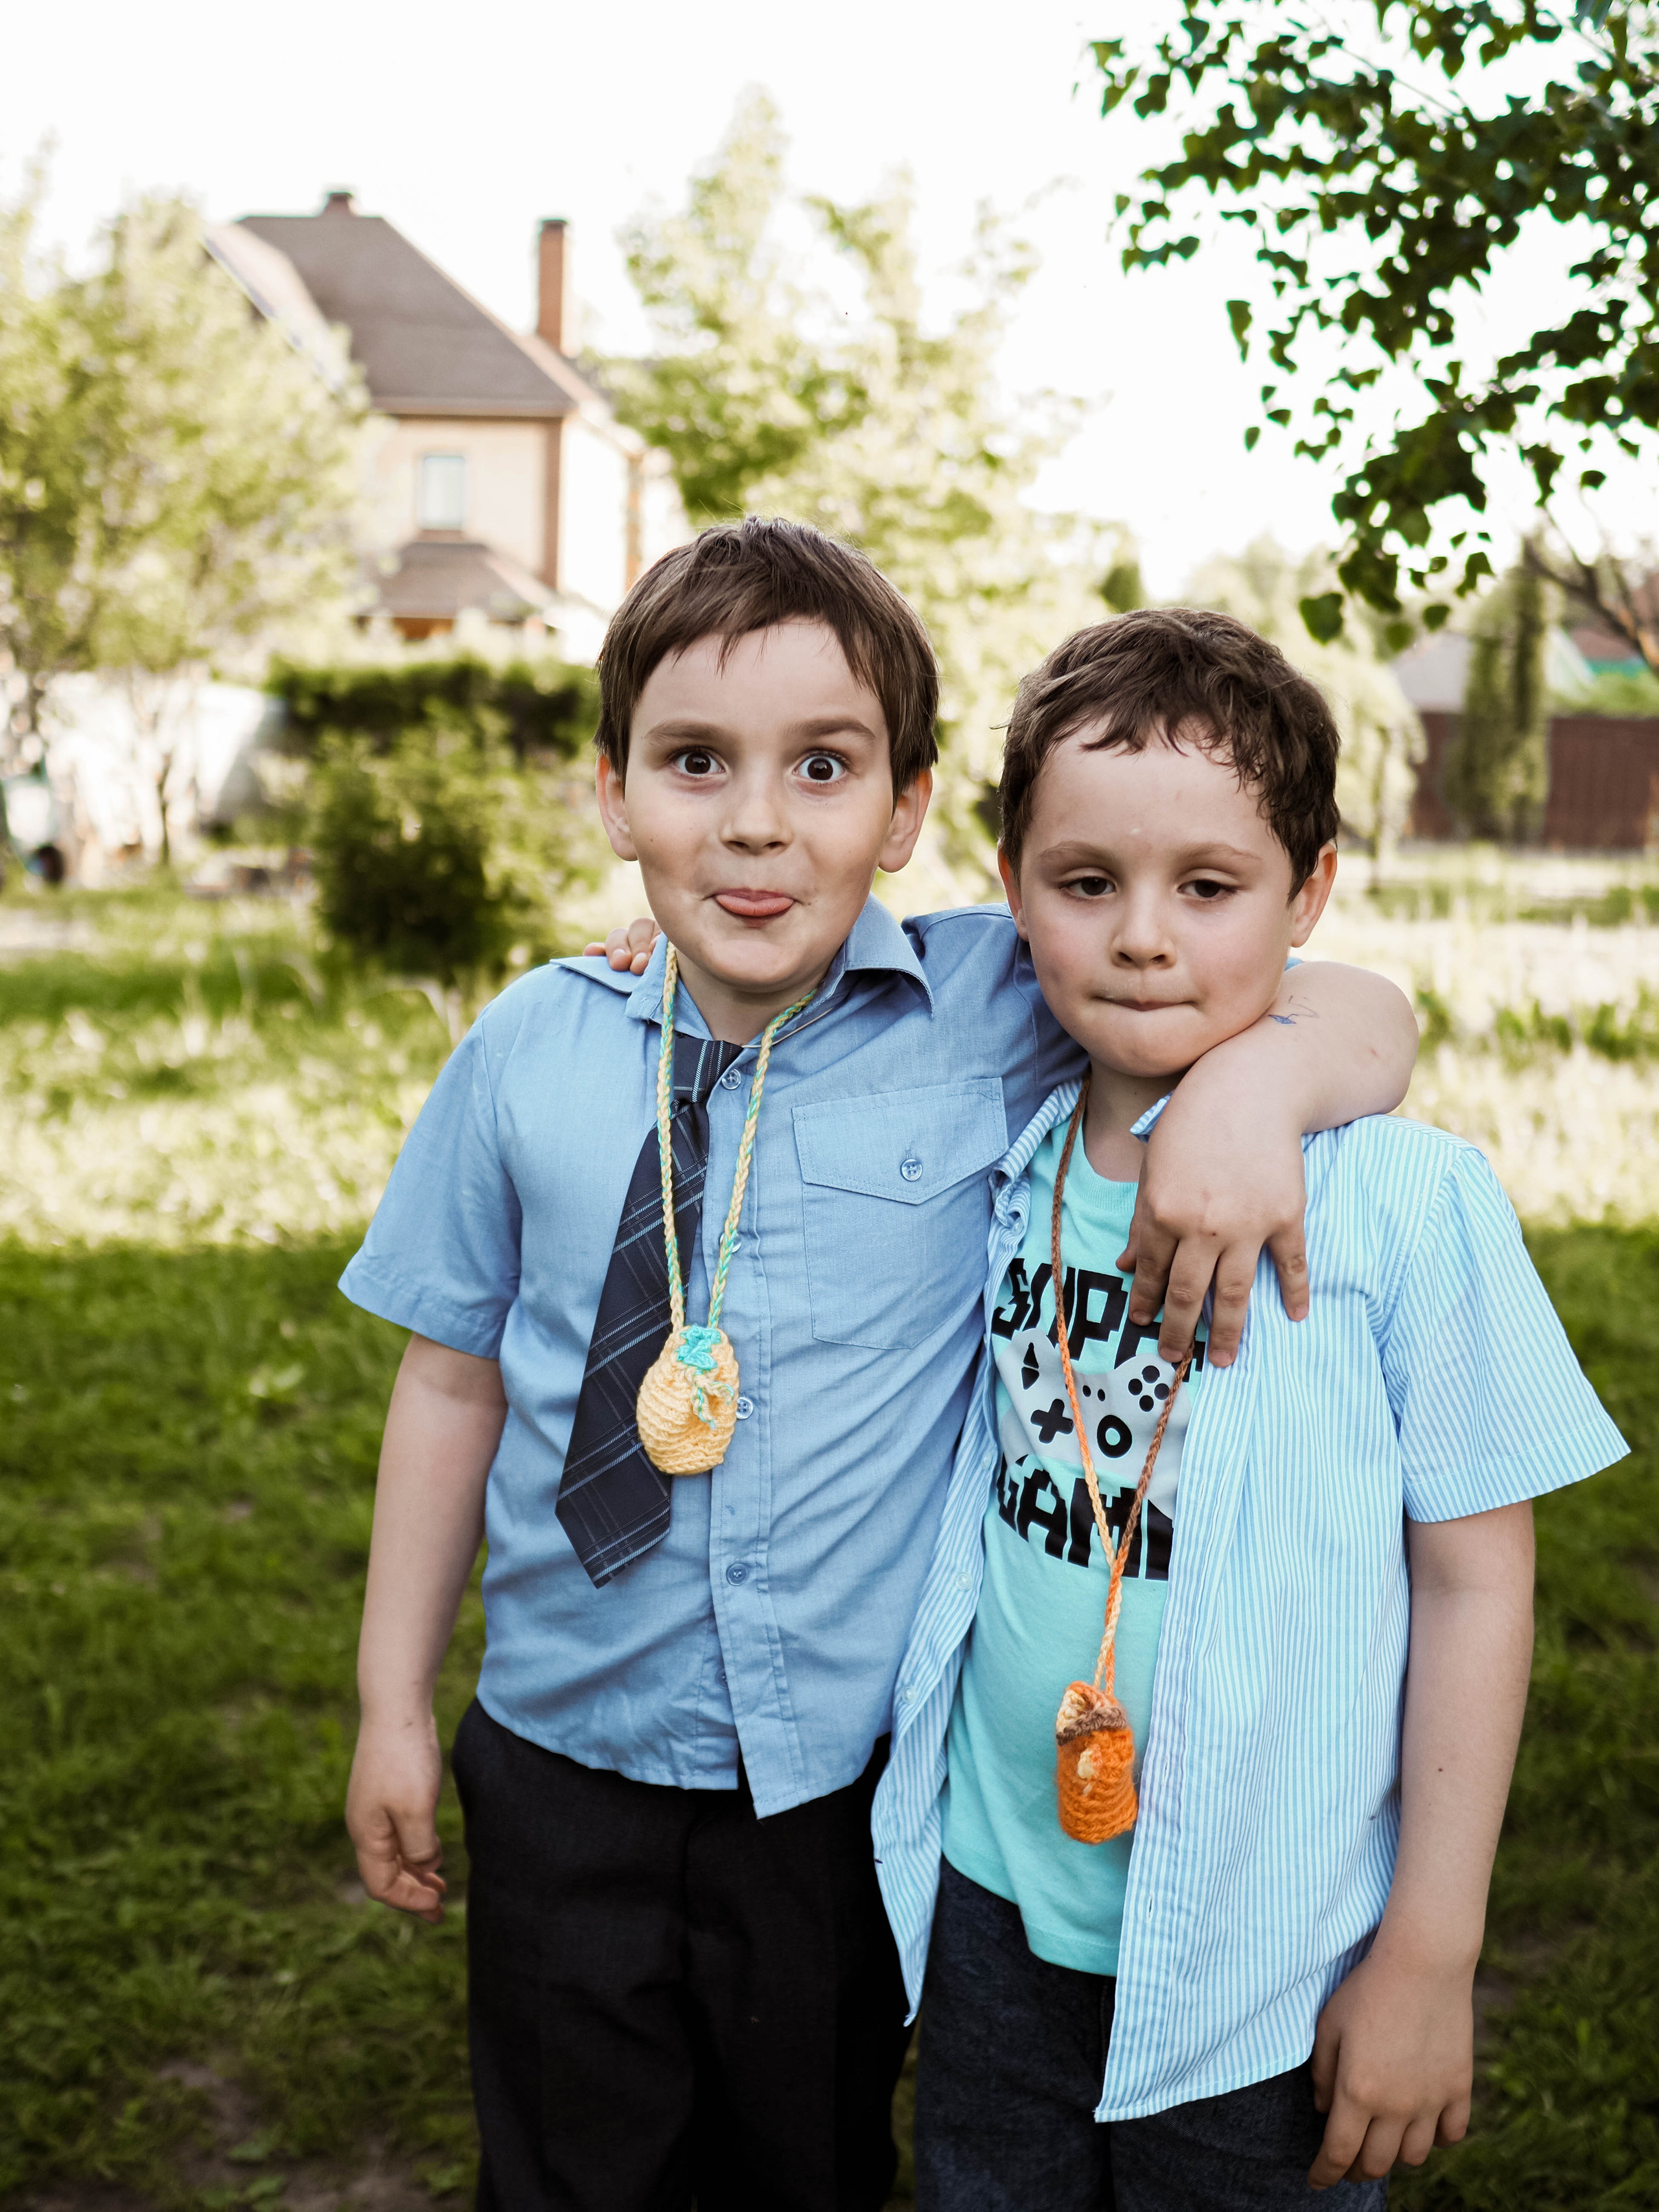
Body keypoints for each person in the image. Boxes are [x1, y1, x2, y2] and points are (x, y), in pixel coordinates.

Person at [338, 521, 1419, 2212]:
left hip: (832, 1779)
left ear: (909, 810)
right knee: (565, 2162)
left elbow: (1348, 997)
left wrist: (1252, 1094)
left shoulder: (993, 998)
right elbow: (450, 1380)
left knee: (813, 2155)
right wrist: (391, 1702)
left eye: (822, 767)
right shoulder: (523, 1050)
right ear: (611, 793)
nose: (758, 821)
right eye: (696, 762)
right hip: (557, 1743)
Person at [871, 607, 1630, 2211]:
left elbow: (1477, 1577)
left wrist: (1430, 1950)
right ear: (1011, 888)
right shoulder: (994, 1144)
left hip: (1264, 1954)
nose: (1143, 935)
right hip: (995, 1902)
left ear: (1311, 894)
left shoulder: (1408, 1204)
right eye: (1085, 883)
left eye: (1207, 889)